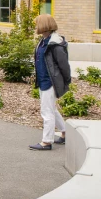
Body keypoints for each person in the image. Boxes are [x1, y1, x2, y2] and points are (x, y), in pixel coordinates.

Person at [30, 14, 72, 151]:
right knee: (51, 109)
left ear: (44, 25)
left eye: (37, 24)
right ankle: (65, 132)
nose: (35, 27)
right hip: (43, 81)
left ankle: (47, 142)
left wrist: (66, 80)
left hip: (50, 82)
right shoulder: (43, 41)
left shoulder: (55, 44)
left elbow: (64, 65)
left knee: (46, 112)